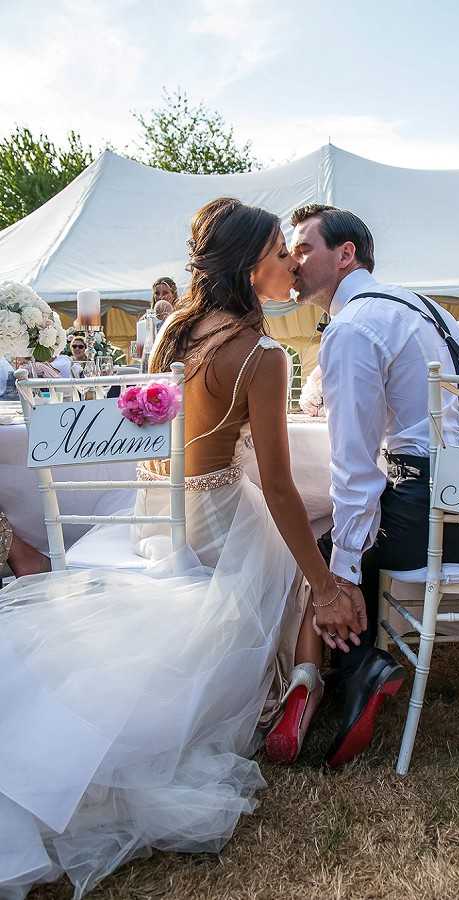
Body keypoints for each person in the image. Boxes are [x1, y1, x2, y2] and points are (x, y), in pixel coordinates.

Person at [0, 198, 365, 899]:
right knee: (297, 549)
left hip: (155, 513)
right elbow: (282, 488)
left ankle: (296, 685)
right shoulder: (262, 357)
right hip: (219, 515)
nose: (292, 263)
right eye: (281, 254)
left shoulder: (173, 329)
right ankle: (302, 685)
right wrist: (325, 584)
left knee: (287, 553)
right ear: (253, 265)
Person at [290, 204, 459, 768]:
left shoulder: (352, 326)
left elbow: (354, 469)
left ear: (346, 255)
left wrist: (338, 573)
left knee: (331, 553)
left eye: (302, 249)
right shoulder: (420, 304)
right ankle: (360, 674)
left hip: (437, 522)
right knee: (354, 540)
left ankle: (358, 674)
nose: (291, 264)